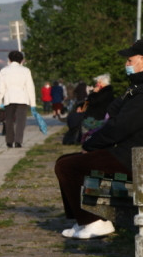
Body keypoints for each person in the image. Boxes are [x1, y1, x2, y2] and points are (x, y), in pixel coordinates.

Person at [54, 42, 143, 239]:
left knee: (68, 167)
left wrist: (90, 145)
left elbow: (120, 126)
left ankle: (93, 222)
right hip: (131, 155)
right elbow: (116, 113)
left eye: (130, 60)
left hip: (134, 160)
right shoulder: (136, 88)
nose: (126, 64)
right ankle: (82, 220)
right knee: (65, 162)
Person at [0, 50, 36, 148]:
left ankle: (9, 141)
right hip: (22, 98)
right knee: (21, 121)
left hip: (9, 98)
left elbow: (0, 88)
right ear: (21, 60)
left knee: (9, 120)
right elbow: (30, 87)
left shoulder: (4, 71)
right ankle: (18, 141)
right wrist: (33, 103)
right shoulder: (26, 71)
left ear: (9, 59)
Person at [81, 73, 115, 140]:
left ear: (102, 83)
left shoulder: (105, 92)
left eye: (98, 82)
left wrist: (94, 93)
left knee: (90, 136)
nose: (96, 84)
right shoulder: (105, 92)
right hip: (97, 118)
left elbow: (93, 101)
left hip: (97, 119)